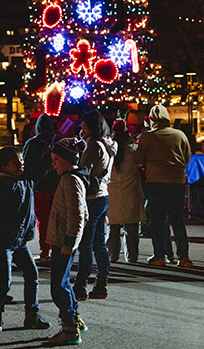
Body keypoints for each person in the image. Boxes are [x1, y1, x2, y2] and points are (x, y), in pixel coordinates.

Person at [0, 147, 49, 333]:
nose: (21, 164)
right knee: (4, 281)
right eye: (16, 162)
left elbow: (40, 168)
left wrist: (51, 152)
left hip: (20, 240)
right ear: (5, 166)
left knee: (32, 274)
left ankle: (32, 316)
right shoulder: (2, 187)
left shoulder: (25, 179)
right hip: (3, 241)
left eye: (22, 160)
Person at [136, 104, 192, 267]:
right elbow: (187, 158)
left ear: (152, 120)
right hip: (176, 182)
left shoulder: (148, 137)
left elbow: (139, 160)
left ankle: (159, 256)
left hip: (155, 182)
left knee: (157, 220)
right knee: (177, 220)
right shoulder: (180, 135)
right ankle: (184, 257)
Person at [46, 137, 89, 346]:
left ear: (68, 159)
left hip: (65, 242)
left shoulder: (71, 180)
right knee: (62, 283)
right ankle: (75, 321)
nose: (53, 163)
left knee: (58, 287)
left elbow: (77, 215)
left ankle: (70, 328)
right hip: (63, 241)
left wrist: (69, 242)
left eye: (56, 159)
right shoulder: (68, 179)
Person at [73, 110, 117, 301]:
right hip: (103, 195)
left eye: (85, 127)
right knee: (99, 243)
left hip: (91, 197)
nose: (83, 131)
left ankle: (81, 284)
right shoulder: (109, 144)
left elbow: (83, 169)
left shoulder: (94, 146)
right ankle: (101, 283)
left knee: (86, 244)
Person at [107, 118, 145, 264]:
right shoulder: (134, 150)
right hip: (131, 192)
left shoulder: (109, 150)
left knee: (113, 227)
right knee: (132, 227)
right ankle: (132, 256)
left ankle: (112, 255)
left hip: (112, 192)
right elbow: (141, 163)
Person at [23, 113, 59, 264]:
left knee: (43, 221)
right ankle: (58, 251)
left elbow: (26, 165)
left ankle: (45, 252)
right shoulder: (58, 141)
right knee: (57, 220)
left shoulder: (32, 144)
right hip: (58, 187)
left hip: (39, 188)